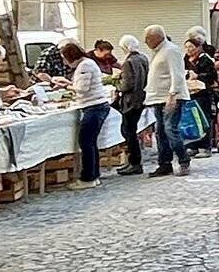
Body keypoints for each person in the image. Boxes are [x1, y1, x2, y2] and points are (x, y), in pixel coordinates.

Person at [51, 42, 112, 191]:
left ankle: (88, 178)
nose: (64, 62)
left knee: (85, 143)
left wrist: (65, 84)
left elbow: (82, 89)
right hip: (96, 106)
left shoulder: (84, 66)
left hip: (94, 107)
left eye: (65, 58)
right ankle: (94, 175)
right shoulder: (87, 64)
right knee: (91, 143)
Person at [143, 24, 192, 177]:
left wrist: (173, 95)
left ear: (157, 37)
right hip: (158, 97)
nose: (145, 42)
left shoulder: (171, 50)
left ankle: (184, 159)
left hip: (170, 97)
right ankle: (164, 163)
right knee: (160, 132)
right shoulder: (157, 52)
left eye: (148, 39)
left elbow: (177, 74)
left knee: (170, 129)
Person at [116, 34, 149, 175]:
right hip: (141, 98)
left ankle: (135, 162)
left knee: (128, 131)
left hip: (130, 101)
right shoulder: (143, 58)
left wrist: (117, 85)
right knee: (131, 130)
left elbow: (127, 84)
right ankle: (133, 161)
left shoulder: (128, 62)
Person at [184, 38, 219, 157]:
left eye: (191, 47)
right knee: (191, 120)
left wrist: (198, 76)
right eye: (187, 47)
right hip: (190, 93)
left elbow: (212, 76)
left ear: (198, 47)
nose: (189, 50)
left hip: (203, 94)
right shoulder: (185, 59)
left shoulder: (205, 60)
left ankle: (205, 146)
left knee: (203, 119)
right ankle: (192, 145)